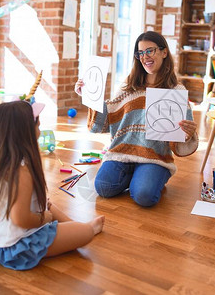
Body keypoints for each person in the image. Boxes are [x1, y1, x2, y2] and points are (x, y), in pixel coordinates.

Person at [0, 100, 104, 270]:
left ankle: (78, 225)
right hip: (15, 247)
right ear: (25, 133)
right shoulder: (22, 171)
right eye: (38, 126)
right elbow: (20, 219)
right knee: (85, 234)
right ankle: (85, 228)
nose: (40, 131)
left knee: (46, 203)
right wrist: (45, 218)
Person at [75, 31, 198, 207]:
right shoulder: (129, 85)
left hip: (154, 157)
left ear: (164, 52)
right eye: (140, 53)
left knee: (144, 196)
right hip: (123, 152)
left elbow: (181, 137)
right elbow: (110, 114)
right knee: (103, 187)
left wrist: (188, 133)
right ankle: (139, 176)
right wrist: (88, 95)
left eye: (150, 51)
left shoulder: (176, 90)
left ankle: (149, 176)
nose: (144, 57)